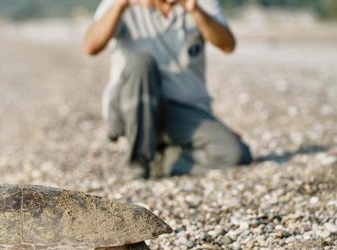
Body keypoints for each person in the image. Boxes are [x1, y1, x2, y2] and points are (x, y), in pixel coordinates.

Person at [84, 0, 252, 179]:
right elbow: (90, 46)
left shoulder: (201, 3)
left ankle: (165, 160)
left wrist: (194, 10)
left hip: (180, 112)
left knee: (234, 152)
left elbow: (228, 45)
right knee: (141, 63)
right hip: (131, 106)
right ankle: (139, 164)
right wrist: (121, 4)